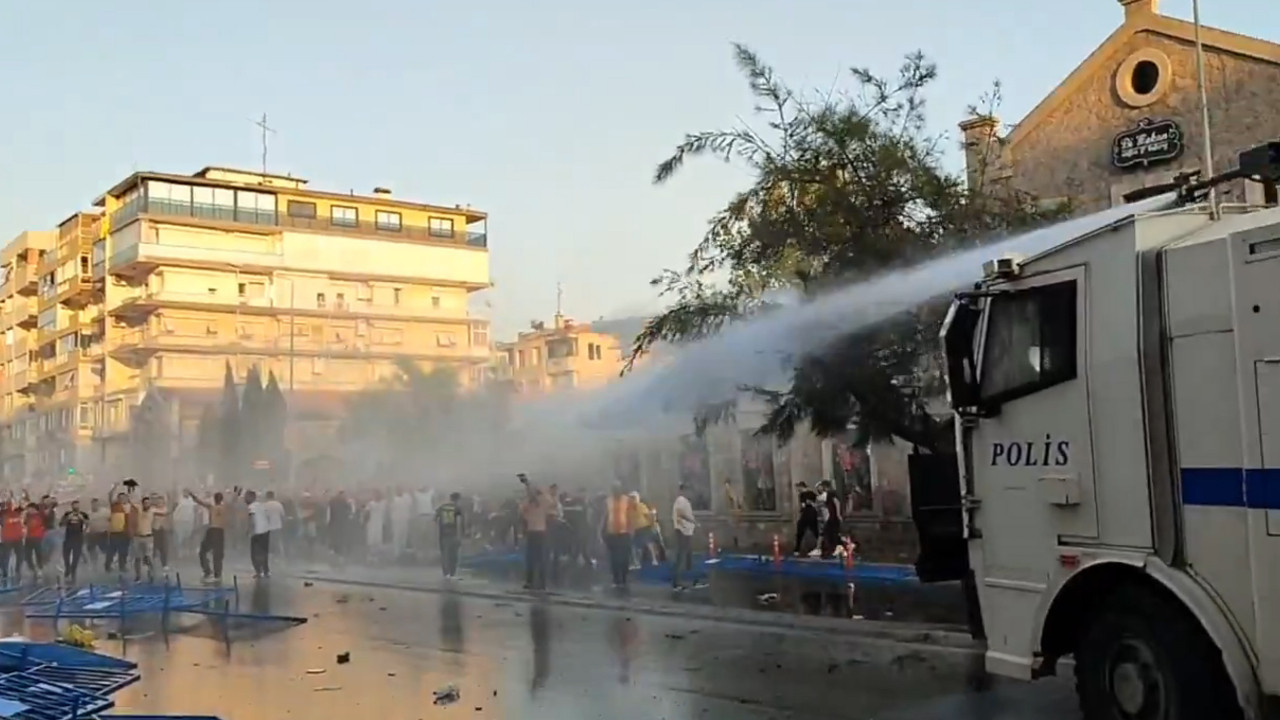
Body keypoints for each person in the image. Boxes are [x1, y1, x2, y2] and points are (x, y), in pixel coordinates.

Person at [519, 476, 549, 591]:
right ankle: (530, 581)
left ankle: (541, 583)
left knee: (540, 558)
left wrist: (531, 488)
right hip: (532, 532)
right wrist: (529, 494)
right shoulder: (528, 503)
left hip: (540, 532)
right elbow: (522, 511)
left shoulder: (543, 501)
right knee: (530, 558)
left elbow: (547, 500)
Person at [190, 490, 227, 583]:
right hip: (220, 531)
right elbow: (233, 501)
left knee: (203, 552)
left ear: (214, 499)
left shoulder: (212, 507)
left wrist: (192, 494)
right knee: (217, 554)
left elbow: (199, 501)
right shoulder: (224, 508)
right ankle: (217, 574)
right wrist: (236, 493)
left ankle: (208, 571)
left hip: (212, 530)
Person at [602, 484, 634, 589]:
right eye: (615, 489)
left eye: (618, 489)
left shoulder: (626, 500)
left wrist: (631, 529)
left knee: (625, 557)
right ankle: (616, 579)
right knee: (614, 558)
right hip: (612, 533)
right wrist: (603, 531)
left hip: (625, 532)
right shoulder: (608, 501)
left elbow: (630, 514)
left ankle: (624, 578)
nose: (616, 491)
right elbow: (605, 516)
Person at [670, 483, 697, 590]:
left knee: (687, 555)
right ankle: (677, 581)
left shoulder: (684, 500)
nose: (689, 493)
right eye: (687, 490)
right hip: (682, 531)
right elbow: (681, 513)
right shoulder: (681, 500)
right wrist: (693, 521)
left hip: (686, 530)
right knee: (681, 555)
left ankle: (689, 578)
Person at [435, 492, 465, 579]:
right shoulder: (457, 508)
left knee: (445, 554)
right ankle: (452, 573)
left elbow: (435, 519)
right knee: (453, 555)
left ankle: (446, 573)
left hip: (443, 533)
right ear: (458, 499)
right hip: (454, 533)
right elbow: (460, 521)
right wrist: (462, 535)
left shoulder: (442, 507)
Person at [60, 500, 89, 583]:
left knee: (76, 557)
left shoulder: (83, 514)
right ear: (71, 506)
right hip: (68, 538)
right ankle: (67, 568)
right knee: (66, 556)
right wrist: (67, 519)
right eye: (74, 505)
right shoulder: (67, 514)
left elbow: (88, 524)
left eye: (77, 505)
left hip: (78, 538)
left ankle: (73, 572)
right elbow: (61, 524)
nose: (76, 507)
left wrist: (82, 521)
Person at [245, 490, 271, 579]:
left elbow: (251, 519)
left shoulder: (251, 507)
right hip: (266, 530)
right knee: (264, 552)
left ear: (251, 497)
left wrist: (249, 531)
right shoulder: (261, 505)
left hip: (257, 531)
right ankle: (266, 571)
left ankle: (258, 572)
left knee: (254, 553)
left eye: (246, 497)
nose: (245, 499)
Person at [105, 491, 132, 574]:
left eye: (123, 498)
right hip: (114, 533)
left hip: (124, 533)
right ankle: (107, 566)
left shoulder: (129, 507)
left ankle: (122, 566)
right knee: (111, 550)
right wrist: (114, 489)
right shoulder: (115, 506)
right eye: (120, 498)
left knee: (123, 551)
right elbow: (109, 497)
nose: (122, 499)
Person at [131, 495, 156, 583]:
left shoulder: (153, 511)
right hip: (138, 537)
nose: (146, 504)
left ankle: (151, 574)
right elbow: (131, 502)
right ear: (142, 504)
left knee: (148, 557)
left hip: (148, 537)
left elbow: (165, 511)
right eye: (145, 503)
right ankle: (138, 576)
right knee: (137, 558)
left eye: (148, 503)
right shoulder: (139, 510)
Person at [0, 500, 24, 583]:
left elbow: (24, 504)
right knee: (6, 556)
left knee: (20, 555)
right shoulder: (2, 513)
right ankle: (5, 572)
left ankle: (18, 570)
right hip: (7, 538)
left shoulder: (17, 511)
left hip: (18, 538)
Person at [23, 501, 47, 578]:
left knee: (38, 554)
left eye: (29, 509)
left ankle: (40, 569)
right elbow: (25, 524)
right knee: (27, 555)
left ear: (33, 509)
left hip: (37, 538)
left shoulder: (39, 515)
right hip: (29, 538)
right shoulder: (27, 516)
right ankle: (33, 570)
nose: (28, 510)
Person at [86, 498, 109, 569]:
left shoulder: (105, 512)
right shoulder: (89, 513)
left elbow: (111, 519)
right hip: (92, 534)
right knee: (91, 550)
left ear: (98, 504)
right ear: (91, 505)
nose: (95, 505)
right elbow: (86, 524)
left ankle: (107, 564)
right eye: (93, 504)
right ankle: (94, 565)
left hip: (102, 533)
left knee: (105, 550)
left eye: (96, 504)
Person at [264, 491, 285, 561]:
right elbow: (282, 515)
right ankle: (281, 556)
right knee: (278, 542)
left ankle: (270, 557)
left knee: (268, 543)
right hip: (277, 526)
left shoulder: (264, 505)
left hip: (267, 527)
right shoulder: (278, 505)